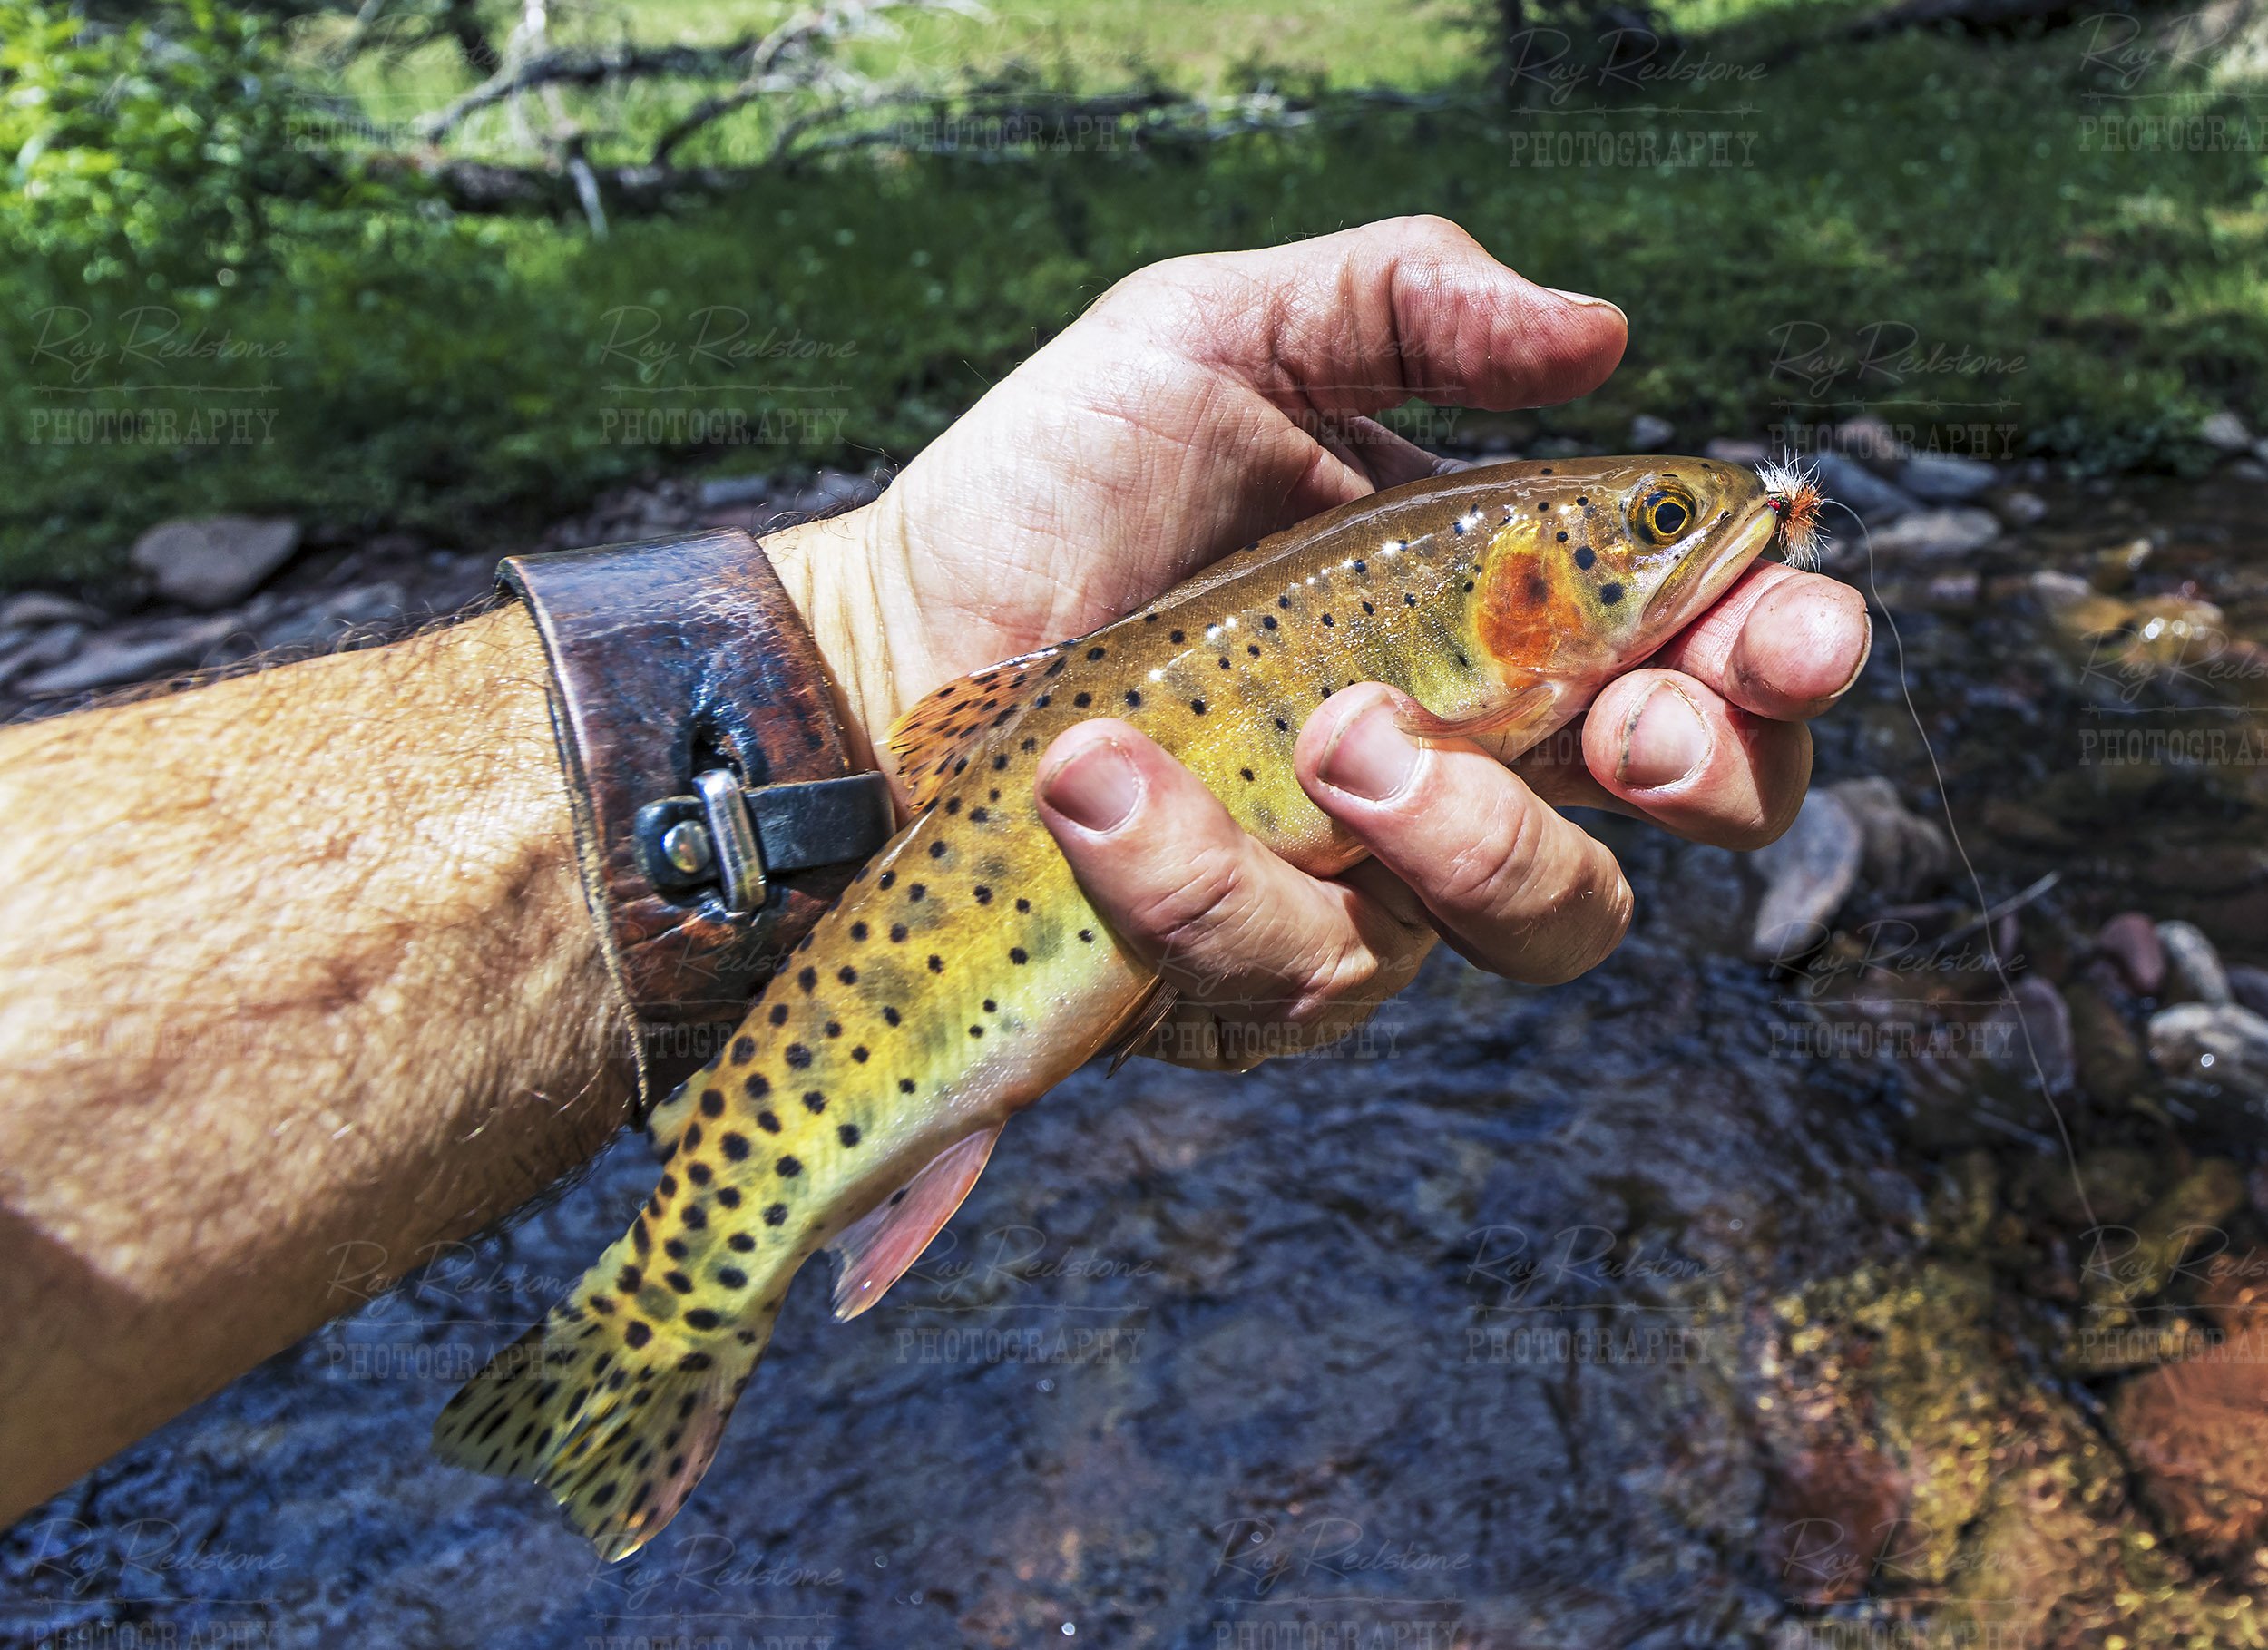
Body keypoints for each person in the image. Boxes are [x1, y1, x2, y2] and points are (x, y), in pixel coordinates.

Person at [0, 216, 1867, 1520]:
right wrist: (860, 652)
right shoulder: (1463, 625)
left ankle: (658, 1317)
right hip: (919, 960)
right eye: (1642, 528)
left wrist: (852, 644)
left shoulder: (1493, 651)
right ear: (1514, 592)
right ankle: (666, 1309)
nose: (1685, 537)